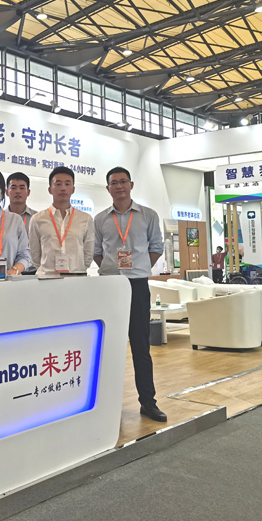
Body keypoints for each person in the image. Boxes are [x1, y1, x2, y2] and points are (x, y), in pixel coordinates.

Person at [93, 167, 165, 422]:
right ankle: (107, 404)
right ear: (108, 188)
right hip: (110, 286)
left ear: (131, 185)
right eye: (114, 183)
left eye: (123, 181)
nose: (119, 186)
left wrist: (139, 268)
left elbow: (156, 247)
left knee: (140, 346)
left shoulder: (148, 215)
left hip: (138, 285)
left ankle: (148, 402)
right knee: (109, 346)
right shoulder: (100, 219)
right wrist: (112, 269)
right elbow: (97, 252)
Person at [28, 166, 94, 276]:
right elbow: (35, 256)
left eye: (67, 184)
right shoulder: (37, 219)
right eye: (58, 184)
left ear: (73, 189)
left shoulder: (85, 219)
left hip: (77, 277)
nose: (63, 188)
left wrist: (77, 270)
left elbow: (88, 254)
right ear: (50, 189)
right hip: (47, 277)